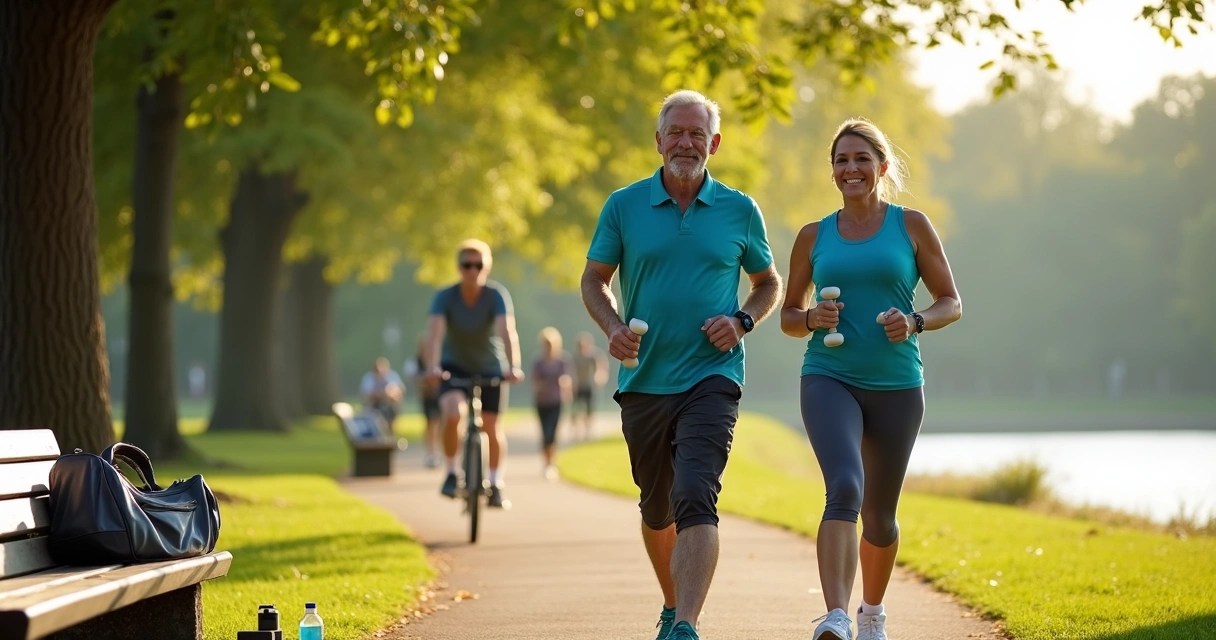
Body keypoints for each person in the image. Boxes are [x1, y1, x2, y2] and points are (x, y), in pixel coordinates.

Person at [581, 89, 782, 640]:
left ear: (714, 143)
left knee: (696, 492)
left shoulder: (740, 210)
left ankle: (687, 625)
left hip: (712, 374)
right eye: (677, 132)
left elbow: (768, 283)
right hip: (644, 378)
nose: (687, 142)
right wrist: (614, 327)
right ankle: (672, 606)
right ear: (659, 140)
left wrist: (741, 320)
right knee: (656, 505)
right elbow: (594, 280)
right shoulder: (624, 205)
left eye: (698, 133)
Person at [779, 117, 962, 640]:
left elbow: (952, 301)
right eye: (841, 160)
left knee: (880, 516)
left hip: (898, 385)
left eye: (861, 159)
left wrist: (916, 321)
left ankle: (871, 615)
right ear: (832, 171)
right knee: (843, 486)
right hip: (828, 376)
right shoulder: (813, 235)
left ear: (882, 167)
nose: (851, 168)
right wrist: (812, 318)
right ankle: (834, 614)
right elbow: (790, 315)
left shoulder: (912, 225)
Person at [425, 239, 524, 509]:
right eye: (467, 265)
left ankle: (495, 482)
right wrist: (433, 366)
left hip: (490, 366)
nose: (472, 271)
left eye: (478, 265)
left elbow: (507, 332)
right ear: (459, 268)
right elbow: (434, 335)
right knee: (453, 412)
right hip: (453, 366)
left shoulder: (496, 295)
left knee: (491, 426)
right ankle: (451, 472)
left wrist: (513, 366)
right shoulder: (445, 296)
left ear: (487, 267)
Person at [531, 327, 573, 481]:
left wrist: (565, 386)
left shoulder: (562, 360)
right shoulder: (538, 362)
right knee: (544, 433)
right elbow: (534, 381)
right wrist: (541, 384)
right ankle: (546, 462)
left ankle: (551, 463)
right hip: (542, 402)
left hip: (556, 401)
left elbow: (567, 379)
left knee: (552, 433)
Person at [404, 335, 442, 468]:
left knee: (442, 425)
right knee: (431, 424)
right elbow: (414, 378)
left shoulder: (439, 359)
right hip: (428, 398)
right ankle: (431, 452)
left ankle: (441, 451)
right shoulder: (415, 361)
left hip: (440, 396)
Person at [569, 331, 608, 440]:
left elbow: (600, 369)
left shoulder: (593, 357)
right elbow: (571, 372)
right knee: (575, 409)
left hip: (589, 386)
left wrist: (599, 377)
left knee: (589, 410)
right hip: (578, 386)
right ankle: (575, 431)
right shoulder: (575, 358)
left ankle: (588, 431)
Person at [360, 357, 405, 427]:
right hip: (374, 405)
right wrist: (384, 394)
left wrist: (390, 393)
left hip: (390, 404)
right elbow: (368, 394)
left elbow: (399, 390)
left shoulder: (392, 376)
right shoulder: (369, 378)